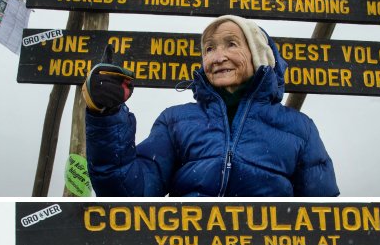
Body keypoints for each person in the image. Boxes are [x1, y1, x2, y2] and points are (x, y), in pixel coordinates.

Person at [83, 14, 338, 196]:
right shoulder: (174, 122)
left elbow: (322, 219)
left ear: (259, 56)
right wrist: (106, 116)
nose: (217, 57)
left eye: (231, 44)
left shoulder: (300, 129)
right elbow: (129, 192)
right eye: (209, 49)